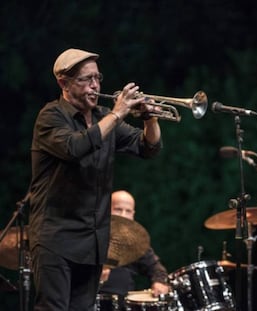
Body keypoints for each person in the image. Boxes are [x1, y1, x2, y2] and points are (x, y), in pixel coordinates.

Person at [28, 48, 162, 310]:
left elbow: (148, 147)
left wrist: (150, 118)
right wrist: (118, 113)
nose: (95, 85)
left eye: (97, 78)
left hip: (92, 242)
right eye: (85, 79)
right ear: (63, 83)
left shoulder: (103, 116)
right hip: (57, 238)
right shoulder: (51, 116)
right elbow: (74, 148)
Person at [98, 190, 170, 309]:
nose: (123, 215)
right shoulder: (91, 238)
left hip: (123, 305)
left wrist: (159, 282)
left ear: (133, 215)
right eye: (118, 209)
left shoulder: (134, 243)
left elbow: (155, 268)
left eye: (128, 211)